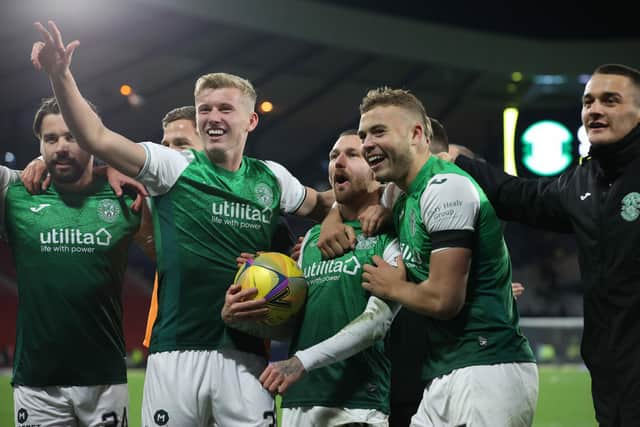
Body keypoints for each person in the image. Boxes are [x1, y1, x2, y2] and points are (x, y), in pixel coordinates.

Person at [31, 20, 335, 426]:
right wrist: (60, 74)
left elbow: (326, 205)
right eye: (205, 109)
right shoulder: (174, 166)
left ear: (251, 121)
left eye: (225, 108)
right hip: (176, 353)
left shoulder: (271, 178)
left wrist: (346, 215)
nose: (213, 117)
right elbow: (97, 138)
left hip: (247, 355)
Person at [445, 63, 640, 427]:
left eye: (610, 100)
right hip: (610, 371)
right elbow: (519, 195)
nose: (594, 109)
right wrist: (459, 163)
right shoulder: (585, 182)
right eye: (588, 102)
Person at [356, 87, 537, 426]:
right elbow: (340, 196)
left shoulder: (446, 188)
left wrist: (392, 287)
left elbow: (444, 300)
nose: (366, 143)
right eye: (364, 134)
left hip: (486, 368)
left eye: (379, 131)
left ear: (416, 134)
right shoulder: (408, 198)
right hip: (446, 370)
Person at [243, 130, 401, 426]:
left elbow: (377, 323)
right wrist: (253, 298)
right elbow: (293, 324)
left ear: (376, 172)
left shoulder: (392, 236)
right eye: (333, 156)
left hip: (356, 405)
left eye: (353, 155)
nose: (338, 162)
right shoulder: (312, 239)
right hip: (295, 401)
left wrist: (303, 361)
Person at [1, 97, 141, 426]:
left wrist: (112, 162)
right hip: (37, 382)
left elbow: (171, 167)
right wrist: (37, 161)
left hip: (104, 379)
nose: (61, 147)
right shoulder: (15, 193)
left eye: (73, 136)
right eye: (50, 139)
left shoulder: (126, 195)